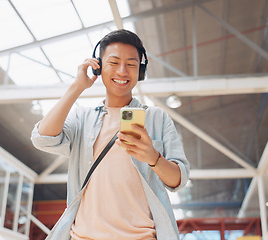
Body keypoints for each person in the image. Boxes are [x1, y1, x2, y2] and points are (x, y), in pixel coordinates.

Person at [31, 29, 190, 240]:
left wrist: (154, 158)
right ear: (99, 67)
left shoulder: (157, 118)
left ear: (140, 71)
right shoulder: (82, 118)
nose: (123, 71)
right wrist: (77, 87)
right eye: (114, 63)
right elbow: (43, 138)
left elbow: (179, 179)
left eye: (131, 64)